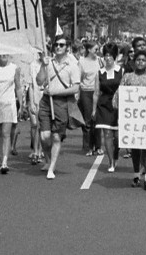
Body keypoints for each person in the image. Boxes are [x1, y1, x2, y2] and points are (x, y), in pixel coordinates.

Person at [114, 50, 146, 190]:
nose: (140, 62)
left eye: (143, 60)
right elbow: (119, 95)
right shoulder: (127, 77)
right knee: (135, 147)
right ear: (134, 62)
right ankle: (136, 175)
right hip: (132, 120)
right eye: (138, 60)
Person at [36, 36, 81, 180]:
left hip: (61, 103)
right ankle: (48, 158)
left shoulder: (73, 65)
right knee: (45, 136)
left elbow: (75, 88)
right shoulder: (48, 63)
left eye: (61, 45)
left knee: (56, 136)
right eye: (56, 45)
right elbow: (39, 81)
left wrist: (56, 92)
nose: (58, 47)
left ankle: (52, 167)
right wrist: (43, 66)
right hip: (46, 102)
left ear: (67, 47)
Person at [93, 43, 123, 172]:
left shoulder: (121, 71)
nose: (108, 58)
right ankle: (111, 162)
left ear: (115, 56)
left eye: (111, 55)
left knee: (117, 135)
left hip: (119, 105)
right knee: (107, 133)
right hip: (104, 104)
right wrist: (94, 109)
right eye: (106, 55)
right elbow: (96, 92)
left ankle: (116, 154)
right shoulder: (100, 73)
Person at [79, 41, 102, 156]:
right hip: (86, 92)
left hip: (97, 92)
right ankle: (88, 147)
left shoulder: (99, 60)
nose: (97, 52)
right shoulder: (82, 62)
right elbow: (79, 78)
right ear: (89, 50)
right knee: (88, 120)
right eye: (95, 49)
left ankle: (98, 146)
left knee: (97, 120)